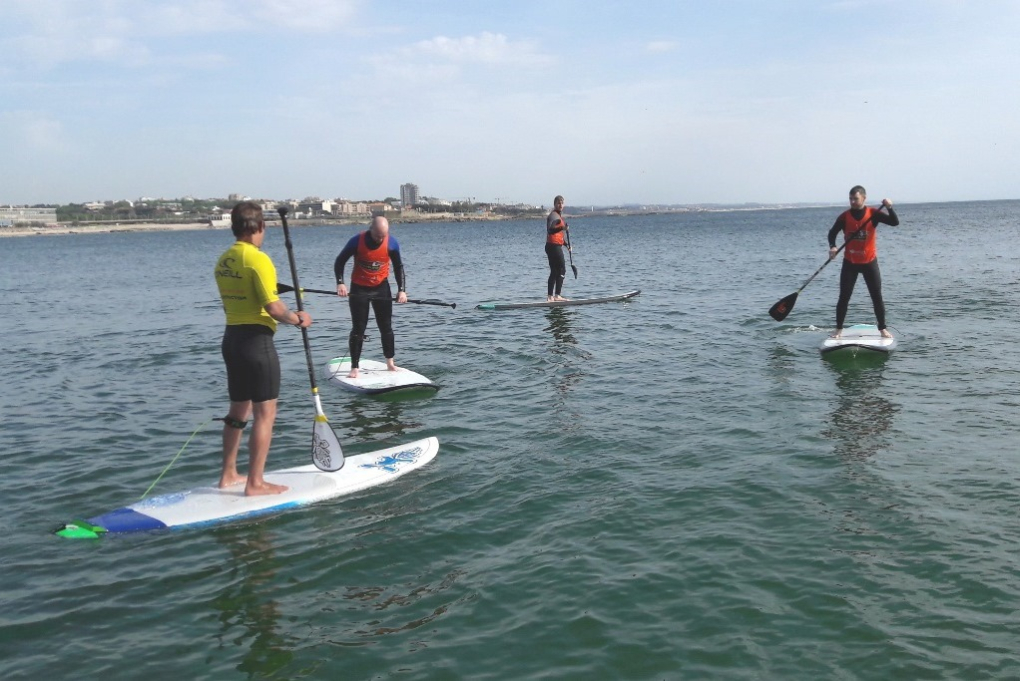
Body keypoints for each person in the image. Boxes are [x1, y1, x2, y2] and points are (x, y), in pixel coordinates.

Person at [214, 201, 312, 496]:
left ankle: (229, 474)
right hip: (256, 344)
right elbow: (273, 307)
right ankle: (255, 483)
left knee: (237, 412)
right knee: (265, 413)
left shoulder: (224, 260)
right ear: (260, 227)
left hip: (231, 341)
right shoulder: (258, 260)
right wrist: (298, 319)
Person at [334, 216, 407, 379]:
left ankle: (390, 363)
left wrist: (401, 290)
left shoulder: (392, 243)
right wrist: (340, 283)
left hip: (381, 288)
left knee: (386, 327)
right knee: (358, 328)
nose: (380, 239)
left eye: (383, 236)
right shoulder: (356, 241)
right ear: (371, 229)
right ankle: (354, 367)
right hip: (359, 288)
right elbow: (340, 261)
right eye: (378, 236)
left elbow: (398, 267)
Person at [827, 185, 900, 338]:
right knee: (844, 297)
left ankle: (882, 329)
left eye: (856, 199)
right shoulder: (844, 217)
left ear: (864, 199)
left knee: (876, 296)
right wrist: (833, 247)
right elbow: (832, 233)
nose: (853, 202)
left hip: (869, 263)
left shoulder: (873, 213)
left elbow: (894, 222)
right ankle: (838, 329)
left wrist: (890, 207)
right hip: (850, 263)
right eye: (851, 199)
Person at [546, 195, 570, 301]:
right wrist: (562, 227)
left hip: (552, 246)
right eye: (558, 203)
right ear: (555, 204)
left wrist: (566, 245)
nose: (560, 205)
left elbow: (558, 235)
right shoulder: (554, 216)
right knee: (562, 269)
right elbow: (550, 230)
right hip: (554, 247)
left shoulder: (557, 216)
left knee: (554, 271)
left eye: (562, 203)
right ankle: (557, 295)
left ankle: (550, 297)